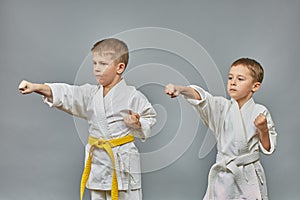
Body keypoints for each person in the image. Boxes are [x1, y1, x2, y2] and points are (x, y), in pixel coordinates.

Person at [18, 38, 157, 200]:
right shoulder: (90, 95)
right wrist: (37, 87)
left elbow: (150, 117)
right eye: (95, 63)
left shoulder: (133, 96)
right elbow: (68, 93)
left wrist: (138, 123)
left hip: (122, 162)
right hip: (98, 160)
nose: (97, 69)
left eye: (103, 64)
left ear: (120, 67)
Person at [165, 58, 277, 200]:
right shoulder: (221, 107)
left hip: (248, 175)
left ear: (255, 86)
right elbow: (202, 99)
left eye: (240, 79)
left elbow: (267, 148)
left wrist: (263, 130)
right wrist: (180, 89)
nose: (233, 82)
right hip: (225, 174)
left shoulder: (260, 111)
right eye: (230, 78)